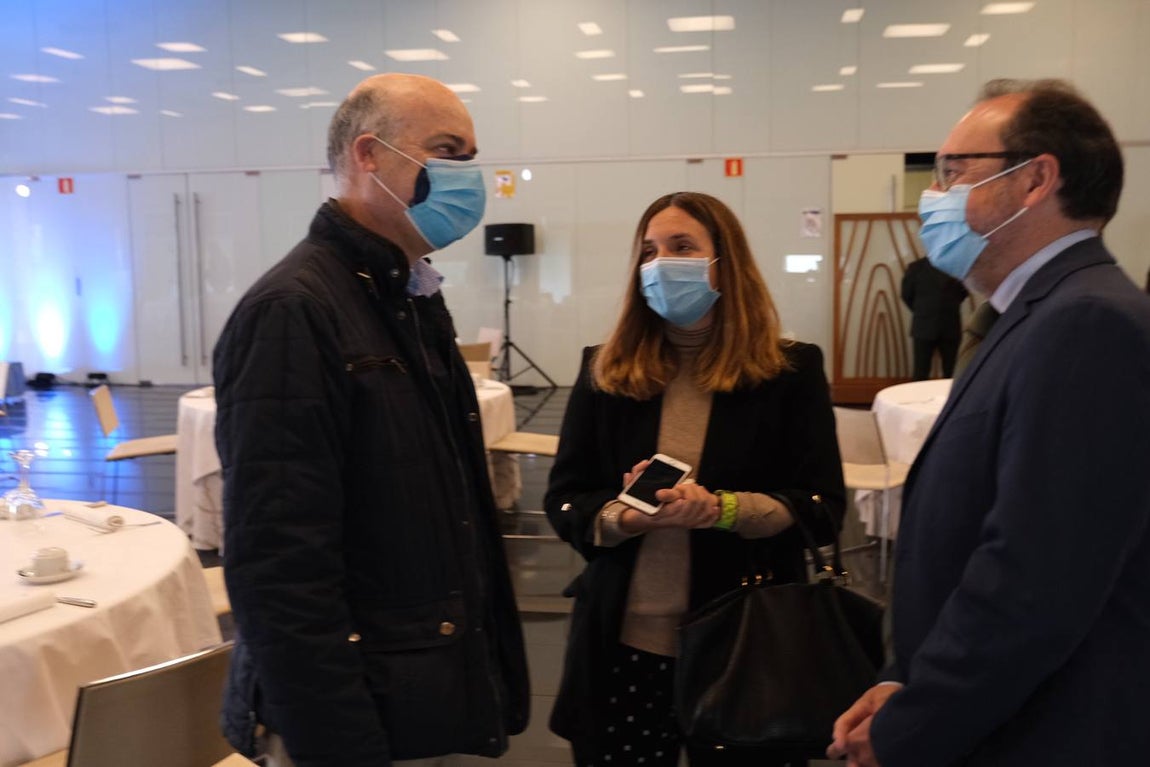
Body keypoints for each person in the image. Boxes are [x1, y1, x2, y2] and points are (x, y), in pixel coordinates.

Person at [829, 79, 1150, 766]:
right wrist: (898, 676)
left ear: (1036, 178)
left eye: (954, 170)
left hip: (1043, 729)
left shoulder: (1087, 323)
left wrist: (911, 724)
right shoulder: (1029, 312)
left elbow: (1033, 579)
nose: (934, 194)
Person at [212, 73, 529, 767]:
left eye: (470, 156)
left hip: (411, 695)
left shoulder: (409, 293)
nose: (465, 175)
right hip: (350, 719)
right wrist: (340, 743)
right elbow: (279, 567)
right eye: (445, 150)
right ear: (368, 155)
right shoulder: (293, 311)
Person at [544, 191, 846, 767]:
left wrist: (723, 509)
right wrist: (625, 516)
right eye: (649, 251)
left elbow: (822, 507)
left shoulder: (790, 371)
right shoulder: (604, 369)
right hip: (624, 645)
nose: (661, 263)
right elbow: (567, 498)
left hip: (747, 641)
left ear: (724, 262)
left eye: (682, 247)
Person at [899, 257, 967, 379]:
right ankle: (918, 398)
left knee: (951, 371)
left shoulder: (956, 267)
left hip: (950, 326)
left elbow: (963, 293)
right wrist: (923, 310)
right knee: (920, 372)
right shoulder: (915, 268)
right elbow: (906, 295)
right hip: (923, 327)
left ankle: (950, 398)